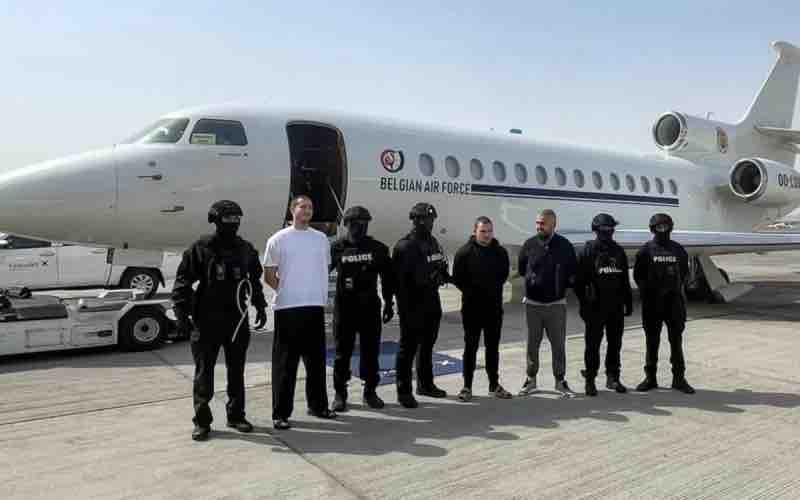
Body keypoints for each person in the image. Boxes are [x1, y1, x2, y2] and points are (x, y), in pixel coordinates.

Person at [172, 200, 268, 442]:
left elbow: (254, 280)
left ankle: (236, 415)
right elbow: (183, 281)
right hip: (207, 319)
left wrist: (260, 305)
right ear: (215, 220)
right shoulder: (201, 248)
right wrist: (182, 314)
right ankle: (202, 421)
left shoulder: (245, 249)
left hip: (237, 318)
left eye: (236, 219)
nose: (233, 224)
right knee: (204, 373)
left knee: (237, 371)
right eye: (228, 219)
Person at [263, 195, 337, 430]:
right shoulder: (278, 239)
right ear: (292, 210)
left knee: (316, 363)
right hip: (288, 309)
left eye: (310, 207)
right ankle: (281, 413)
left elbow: (323, 268)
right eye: (303, 206)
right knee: (286, 364)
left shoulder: (321, 239)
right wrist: (287, 290)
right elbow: (269, 275)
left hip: (314, 307)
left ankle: (318, 406)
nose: (307, 210)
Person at [330, 205, 395, 412]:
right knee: (342, 353)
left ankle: (370, 391)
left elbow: (387, 277)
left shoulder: (378, 248)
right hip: (345, 307)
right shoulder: (337, 248)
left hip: (369, 307)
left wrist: (389, 302)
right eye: (357, 224)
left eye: (365, 224)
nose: (362, 227)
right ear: (348, 224)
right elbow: (320, 271)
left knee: (371, 352)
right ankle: (340, 393)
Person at [393, 202, 451, 408]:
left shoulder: (433, 242)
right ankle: (404, 391)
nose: (430, 223)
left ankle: (425, 384)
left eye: (432, 219)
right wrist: (399, 306)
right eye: (427, 220)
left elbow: (440, 265)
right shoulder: (405, 246)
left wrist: (444, 275)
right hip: (412, 303)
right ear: (416, 220)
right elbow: (398, 282)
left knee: (427, 345)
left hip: (431, 300)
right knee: (407, 348)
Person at [517, 208, 578, 398]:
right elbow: (522, 269)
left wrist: (561, 287)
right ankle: (530, 379)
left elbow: (572, 271)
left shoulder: (564, 245)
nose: (538, 226)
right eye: (537, 223)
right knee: (532, 345)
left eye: (542, 223)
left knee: (558, 345)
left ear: (553, 224)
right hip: (533, 305)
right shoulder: (529, 244)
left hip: (556, 305)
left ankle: (560, 381)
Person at [633, 213, 695, 394]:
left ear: (670, 227)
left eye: (665, 226)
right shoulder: (646, 250)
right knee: (652, 342)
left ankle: (679, 379)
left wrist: (673, 290)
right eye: (658, 227)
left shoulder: (678, 249)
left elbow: (684, 272)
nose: (662, 229)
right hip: (652, 304)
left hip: (673, 303)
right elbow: (638, 275)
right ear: (652, 229)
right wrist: (649, 293)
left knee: (676, 342)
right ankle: (650, 378)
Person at [452, 216, 512, 401]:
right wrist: (474, 291)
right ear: (475, 232)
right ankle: (467, 386)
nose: (487, 235)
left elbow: (503, 275)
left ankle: (494, 385)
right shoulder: (464, 253)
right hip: (472, 309)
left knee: (492, 348)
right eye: (483, 231)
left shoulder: (500, 252)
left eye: (489, 231)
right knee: (470, 347)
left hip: (494, 308)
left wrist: (490, 290)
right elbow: (458, 278)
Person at [575, 213, 632, 396]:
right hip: (595, 307)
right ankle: (590, 379)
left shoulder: (618, 251)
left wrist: (628, 301)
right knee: (592, 345)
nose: (608, 232)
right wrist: (584, 304)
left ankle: (613, 377)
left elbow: (624, 279)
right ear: (596, 230)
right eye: (604, 229)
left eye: (610, 229)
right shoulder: (588, 250)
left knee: (615, 344)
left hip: (615, 306)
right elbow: (578, 281)